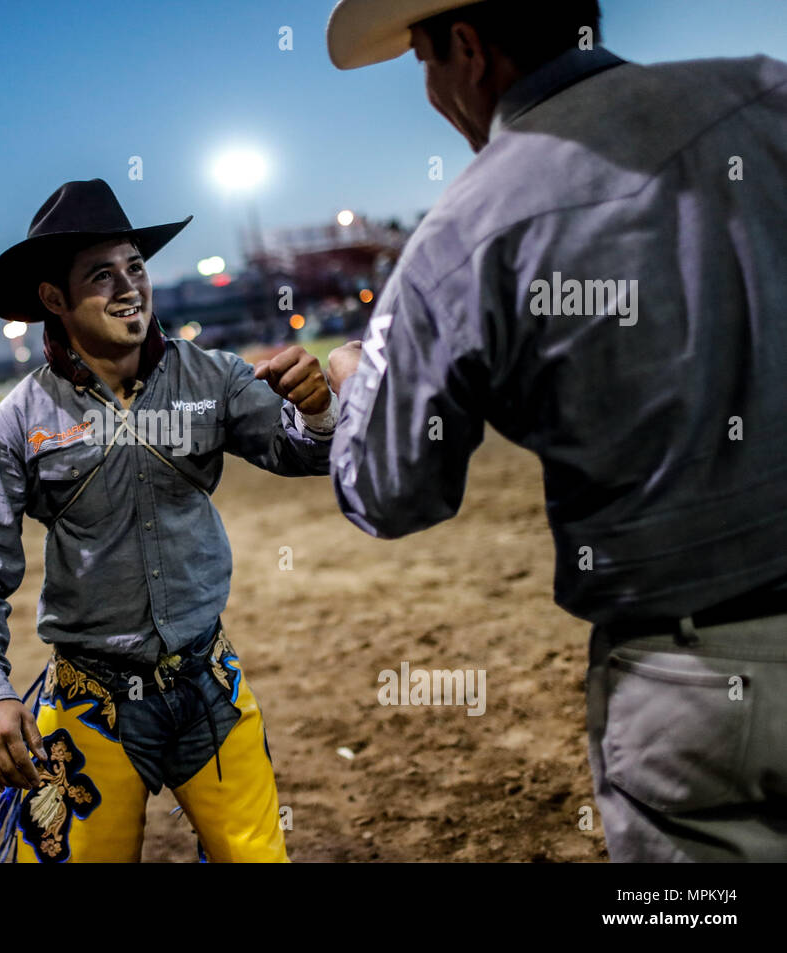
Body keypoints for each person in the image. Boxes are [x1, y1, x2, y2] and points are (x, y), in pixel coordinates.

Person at [323, 0, 787, 861]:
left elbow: (391, 490)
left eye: (422, 61)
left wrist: (354, 387)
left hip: (694, 685)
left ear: (465, 48)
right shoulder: (767, 92)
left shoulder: (461, 232)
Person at [0, 179, 337, 862]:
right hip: (89, 711)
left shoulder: (211, 377)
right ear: (54, 299)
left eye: (136, 267)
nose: (129, 288)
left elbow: (302, 451)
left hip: (210, 687)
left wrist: (319, 408)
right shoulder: (19, 421)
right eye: (102, 275)